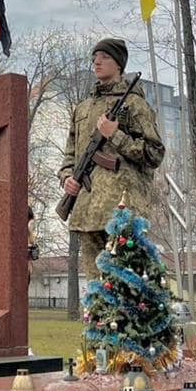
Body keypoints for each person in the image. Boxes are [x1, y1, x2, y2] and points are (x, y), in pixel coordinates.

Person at [58, 38, 165, 276]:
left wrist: (115, 135)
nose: (97, 61)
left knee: (125, 286)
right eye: (95, 57)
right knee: (96, 290)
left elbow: (154, 153)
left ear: (118, 64)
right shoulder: (82, 108)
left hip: (123, 209)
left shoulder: (135, 105)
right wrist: (67, 177)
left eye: (104, 57)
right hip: (87, 211)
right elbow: (70, 155)